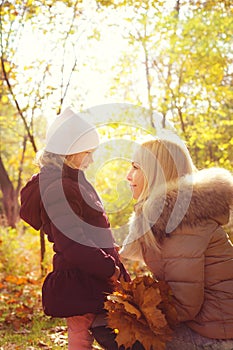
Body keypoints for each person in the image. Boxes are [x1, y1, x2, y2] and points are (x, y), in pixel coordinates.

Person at [19, 107, 131, 350]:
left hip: (90, 273)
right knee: (83, 333)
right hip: (84, 277)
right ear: (69, 153)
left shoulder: (71, 181)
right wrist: (108, 267)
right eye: (87, 153)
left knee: (89, 331)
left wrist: (109, 251)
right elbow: (73, 242)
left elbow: (89, 230)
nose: (91, 160)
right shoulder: (60, 189)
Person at [120, 137, 233, 350]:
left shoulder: (181, 222)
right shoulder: (176, 215)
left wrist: (138, 310)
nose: (128, 175)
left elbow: (185, 303)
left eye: (136, 167)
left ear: (156, 173)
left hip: (216, 337)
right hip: (210, 326)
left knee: (112, 326)